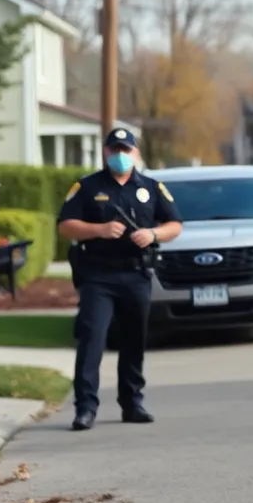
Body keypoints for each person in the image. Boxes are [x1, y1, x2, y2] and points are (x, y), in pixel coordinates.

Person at [57, 128, 183, 431]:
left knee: (134, 340)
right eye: (115, 150)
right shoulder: (87, 187)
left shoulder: (151, 187)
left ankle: (132, 403)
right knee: (93, 338)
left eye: (126, 150)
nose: (120, 156)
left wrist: (152, 234)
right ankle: (85, 408)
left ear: (136, 154)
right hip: (98, 275)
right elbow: (65, 226)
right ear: (105, 152)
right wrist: (98, 230)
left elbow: (175, 224)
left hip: (136, 273)